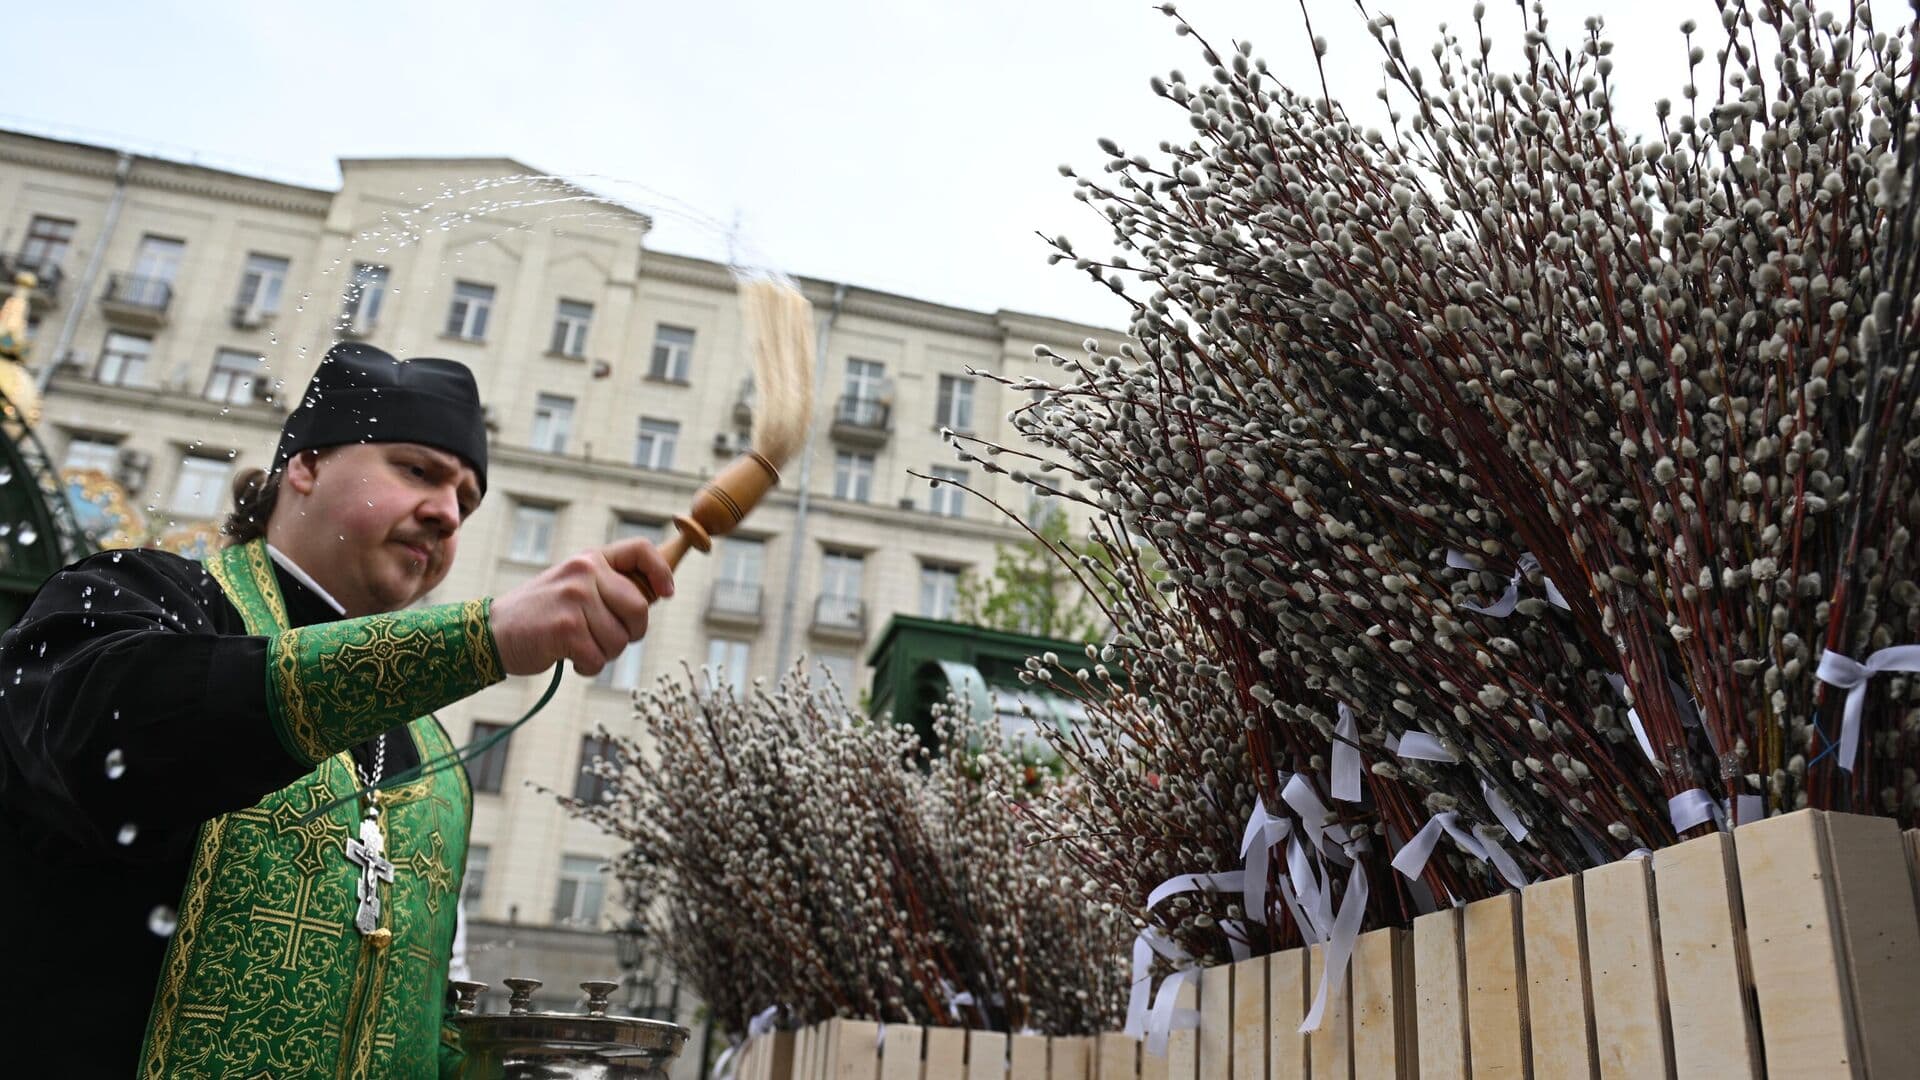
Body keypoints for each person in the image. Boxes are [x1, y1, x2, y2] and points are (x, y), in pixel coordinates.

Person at [0, 341, 674, 1077]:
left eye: (467, 501)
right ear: (306, 465)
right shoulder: (142, 596)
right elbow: (106, 737)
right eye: (419, 471)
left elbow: (420, 1023)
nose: (448, 514)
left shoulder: (435, 751)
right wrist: (478, 639)